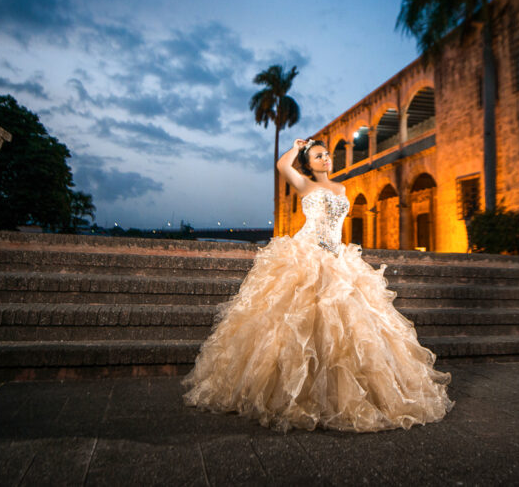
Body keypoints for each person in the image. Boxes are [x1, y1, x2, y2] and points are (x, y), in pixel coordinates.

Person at [182, 137, 453, 432]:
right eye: (318, 156)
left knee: (347, 325)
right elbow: (282, 165)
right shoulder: (304, 186)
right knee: (298, 320)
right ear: (309, 165)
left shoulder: (342, 188)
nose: (325, 159)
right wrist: (298, 148)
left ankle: (341, 395)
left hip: (337, 256)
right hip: (307, 253)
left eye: (326, 155)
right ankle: (294, 395)